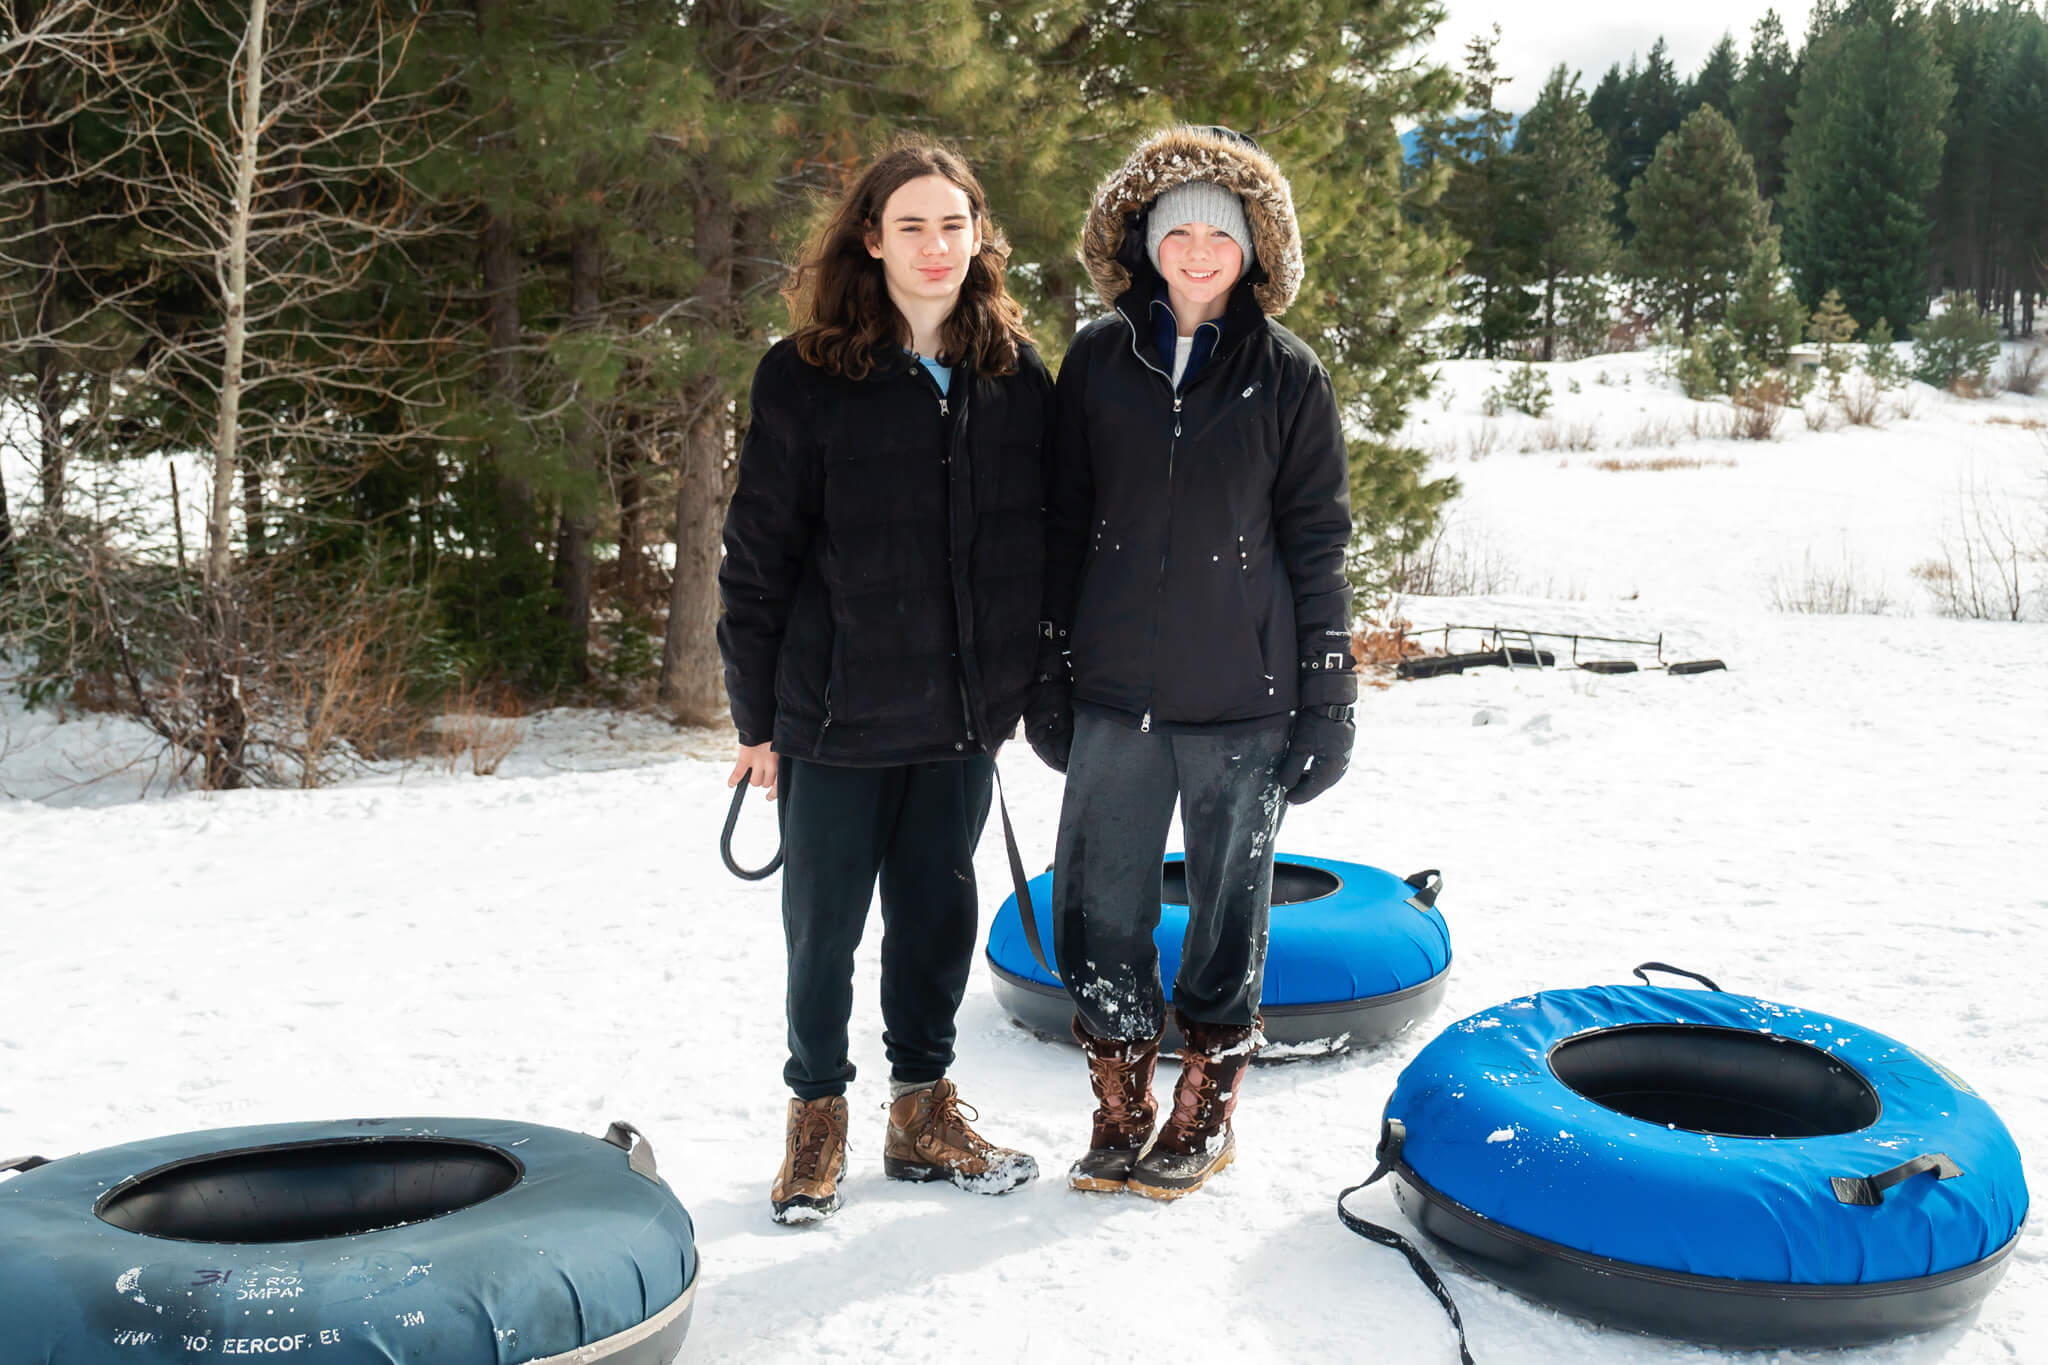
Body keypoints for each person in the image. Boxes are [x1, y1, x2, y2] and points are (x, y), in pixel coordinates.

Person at [718, 135, 1051, 1225]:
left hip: (959, 717)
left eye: (953, 224)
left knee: (936, 916)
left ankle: (921, 1111)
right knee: (822, 930)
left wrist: (1019, 688)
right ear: (871, 238)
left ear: (978, 237)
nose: (934, 244)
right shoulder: (805, 373)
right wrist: (755, 719)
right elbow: (756, 554)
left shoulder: (1012, 375)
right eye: (910, 224)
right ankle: (815, 1119)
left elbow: (1041, 542)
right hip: (832, 713)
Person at [1028, 125, 1357, 1200]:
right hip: (1112, 694)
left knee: (1228, 911)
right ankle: (1118, 1104)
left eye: (1222, 231)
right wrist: (1047, 667)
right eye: (1179, 230)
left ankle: (1203, 1106)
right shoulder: (1093, 360)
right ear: (1145, 241)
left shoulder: (1289, 376)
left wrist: (1327, 695)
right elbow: (1058, 522)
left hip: (1242, 702)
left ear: (1255, 246)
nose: (1200, 248)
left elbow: (1315, 541)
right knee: (1100, 906)